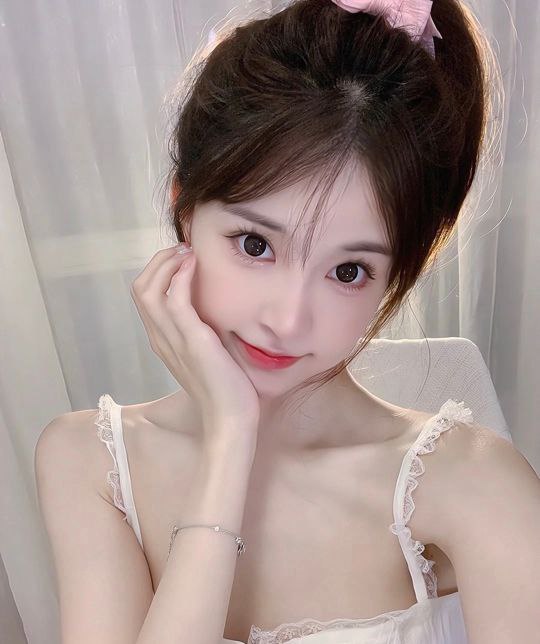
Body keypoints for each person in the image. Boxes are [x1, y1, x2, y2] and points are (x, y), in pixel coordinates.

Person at [34, 1, 540, 643]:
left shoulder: (475, 483)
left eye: (348, 270)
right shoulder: (88, 461)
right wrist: (230, 437)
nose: (288, 319)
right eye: (255, 245)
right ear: (184, 210)